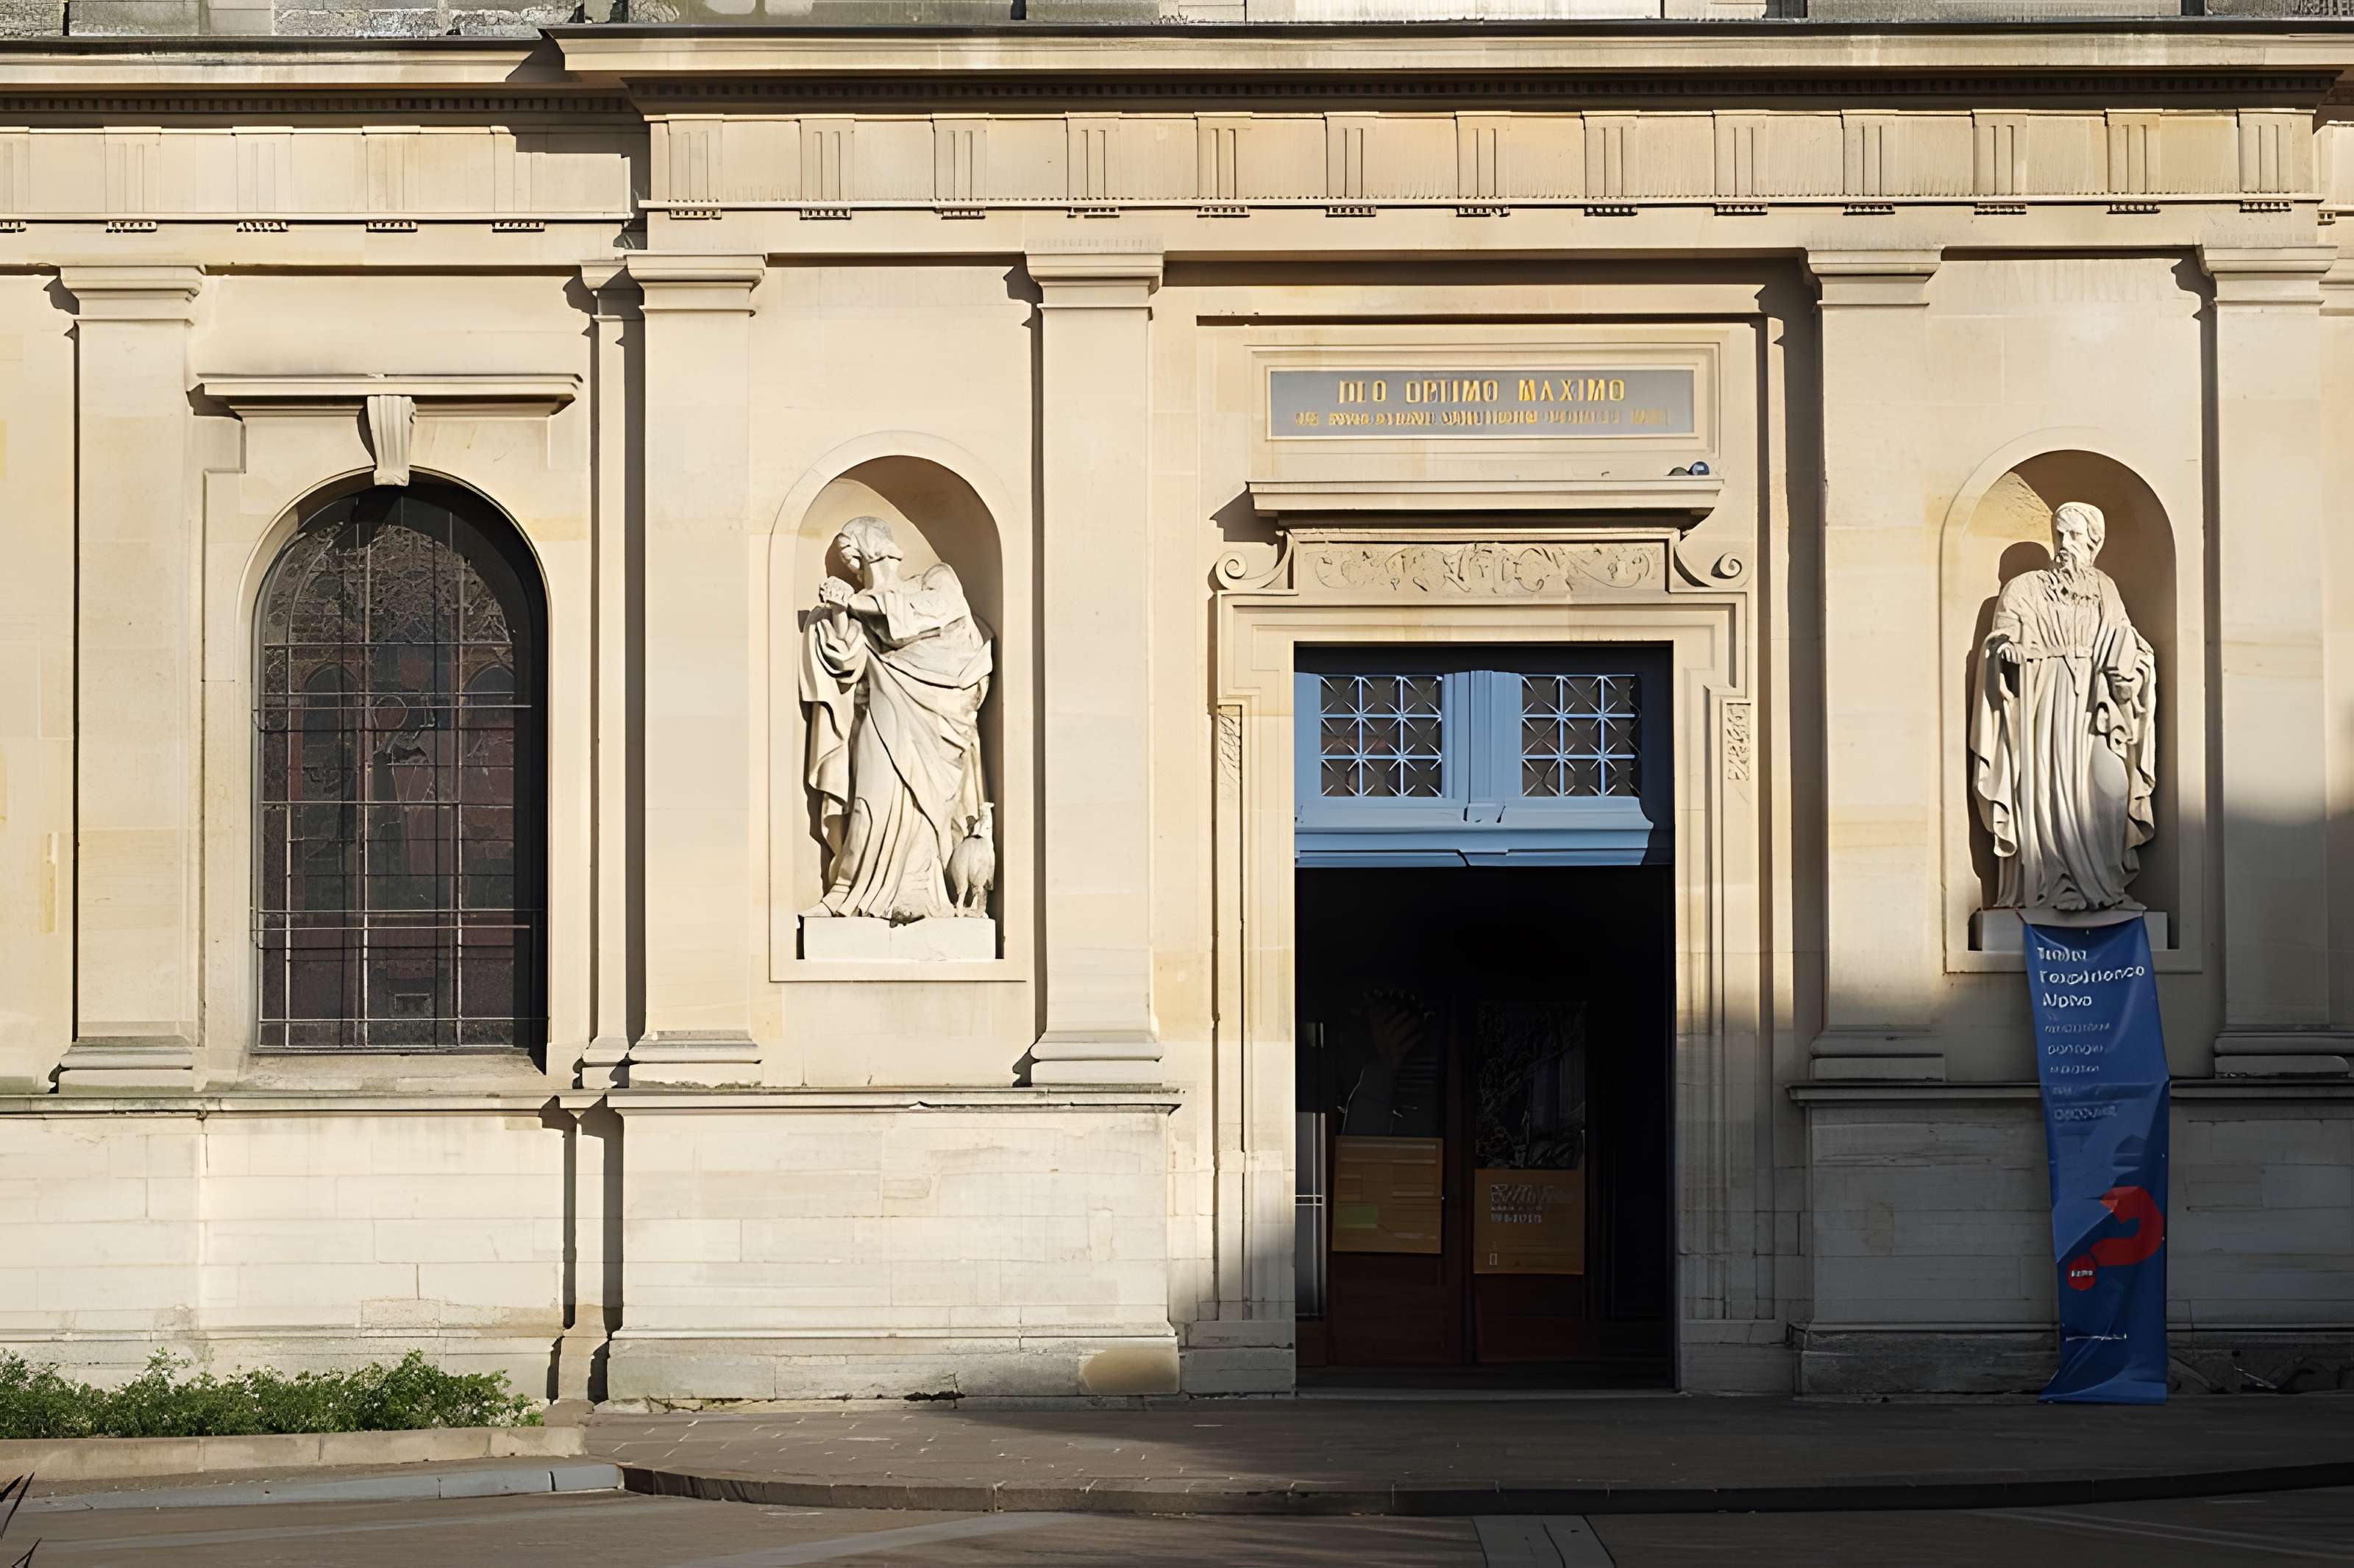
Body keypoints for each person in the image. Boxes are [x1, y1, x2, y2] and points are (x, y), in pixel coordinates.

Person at [800, 516, 992, 923]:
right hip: (882, 713)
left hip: (938, 720)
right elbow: (845, 661)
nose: (855, 563)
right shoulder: (859, 608)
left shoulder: (935, 580)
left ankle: (918, 893)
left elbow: (930, 615)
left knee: (925, 807)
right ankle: (847, 890)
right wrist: (837, 614)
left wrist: (851, 602)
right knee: (872, 797)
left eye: (855, 551)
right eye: (848, 558)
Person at [1969, 501, 2157, 913]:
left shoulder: (2105, 588)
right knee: (2045, 792)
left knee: (2111, 788)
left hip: (2096, 706)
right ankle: (2054, 884)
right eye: (2060, 535)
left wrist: (2135, 668)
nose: (2064, 545)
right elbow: (2000, 639)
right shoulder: (2024, 587)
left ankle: (2104, 884)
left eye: (2074, 536)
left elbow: (2126, 641)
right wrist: (2009, 651)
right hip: (2043, 701)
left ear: (2094, 542)